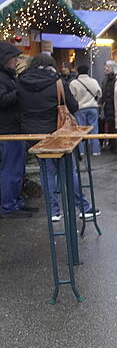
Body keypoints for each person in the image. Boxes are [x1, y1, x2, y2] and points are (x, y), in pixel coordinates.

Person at [18, 53, 96, 223]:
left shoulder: (21, 82)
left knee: (46, 173)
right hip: (57, 133)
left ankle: (53, 211)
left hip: (33, 134)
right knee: (69, 172)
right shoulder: (57, 82)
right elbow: (73, 106)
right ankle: (83, 208)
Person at [0, 42, 35, 219]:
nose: (16, 61)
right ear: (5, 59)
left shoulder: (8, 77)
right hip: (8, 130)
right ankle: (8, 206)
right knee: (11, 169)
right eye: (13, 58)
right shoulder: (3, 78)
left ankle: (16, 201)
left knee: (17, 168)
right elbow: (2, 100)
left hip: (14, 128)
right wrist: (19, 91)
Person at [69, 64, 103, 157]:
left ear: (78, 72)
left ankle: (81, 151)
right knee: (94, 129)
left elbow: (72, 95)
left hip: (80, 108)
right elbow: (99, 93)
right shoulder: (93, 81)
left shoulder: (74, 83)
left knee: (80, 130)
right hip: (93, 107)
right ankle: (95, 151)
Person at [100, 60, 117, 152]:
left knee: (114, 125)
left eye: (108, 67)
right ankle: (112, 144)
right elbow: (103, 93)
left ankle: (115, 145)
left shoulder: (116, 79)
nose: (105, 68)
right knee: (110, 125)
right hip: (108, 106)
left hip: (115, 106)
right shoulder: (105, 79)